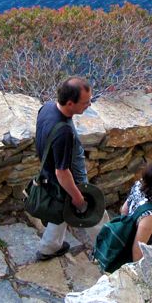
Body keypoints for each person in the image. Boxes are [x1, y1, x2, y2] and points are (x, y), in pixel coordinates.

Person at [35, 76, 94, 261]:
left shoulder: (47, 108)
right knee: (92, 209)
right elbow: (62, 172)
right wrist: (77, 196)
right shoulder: (63, 132)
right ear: (70, 103)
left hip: (47, 172)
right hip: (60, 179)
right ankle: (109, 244)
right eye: (85, 102)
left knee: (59, 214)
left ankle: (49, 248)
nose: (89, 105)